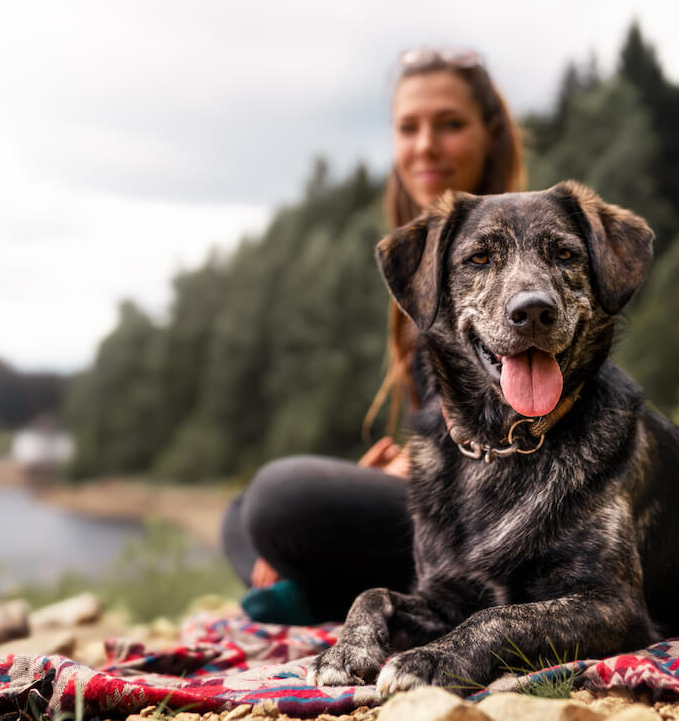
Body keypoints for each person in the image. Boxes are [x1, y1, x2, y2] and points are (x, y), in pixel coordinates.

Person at [220, 48, 527, 624]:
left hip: (508, 503)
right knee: (239, 514)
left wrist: (416, 466)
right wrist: (394, 469)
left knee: (279, 501)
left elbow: (533, 424)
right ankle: (331, 594)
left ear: (491, 135)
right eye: (408, 128)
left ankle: (318, 596)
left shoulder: (520, 258)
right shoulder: (422, 261)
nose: (425, 145)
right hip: (445, 495)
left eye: (450, 124)